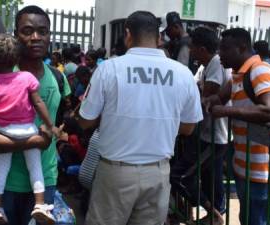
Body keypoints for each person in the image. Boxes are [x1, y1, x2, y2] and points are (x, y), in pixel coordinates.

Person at [76, 11, 203, 225]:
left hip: (115, 173)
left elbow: (85, 120)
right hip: (158, 173)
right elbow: (189, 127)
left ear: (128, 34)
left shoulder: (108, 69)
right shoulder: (183, 74)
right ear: (159, 37)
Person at [0, 5, 71, 225]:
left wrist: (58, 132)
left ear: (49, 36)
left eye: (42, 32)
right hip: (6, 185)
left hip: (45, 182)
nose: (36, 37)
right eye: (27, 31)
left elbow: (58, 120)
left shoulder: (57, 78)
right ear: (15, 35)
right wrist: (34, 141)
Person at [204, 28, 270, 225]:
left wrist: (226, 112)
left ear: (242, 48)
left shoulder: (260, 70)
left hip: (261, 170)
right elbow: (218, 98)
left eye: (224, 49)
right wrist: (208, 101)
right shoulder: (238, 76)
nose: (219, 54)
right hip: (244, 165)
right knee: (247, 218)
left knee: (256, 220)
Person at [172, 27, 231, 225]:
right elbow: (193, 90)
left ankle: (214, 214)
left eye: (193, 48)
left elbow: (204, 97)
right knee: (208, 179)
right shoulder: (204, 66)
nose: (190, 51)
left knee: (181, 175)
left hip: (215, 136)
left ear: (203, 49)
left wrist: (197, 92)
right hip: (204, 134)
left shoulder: (215, 64)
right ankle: (208, 214)